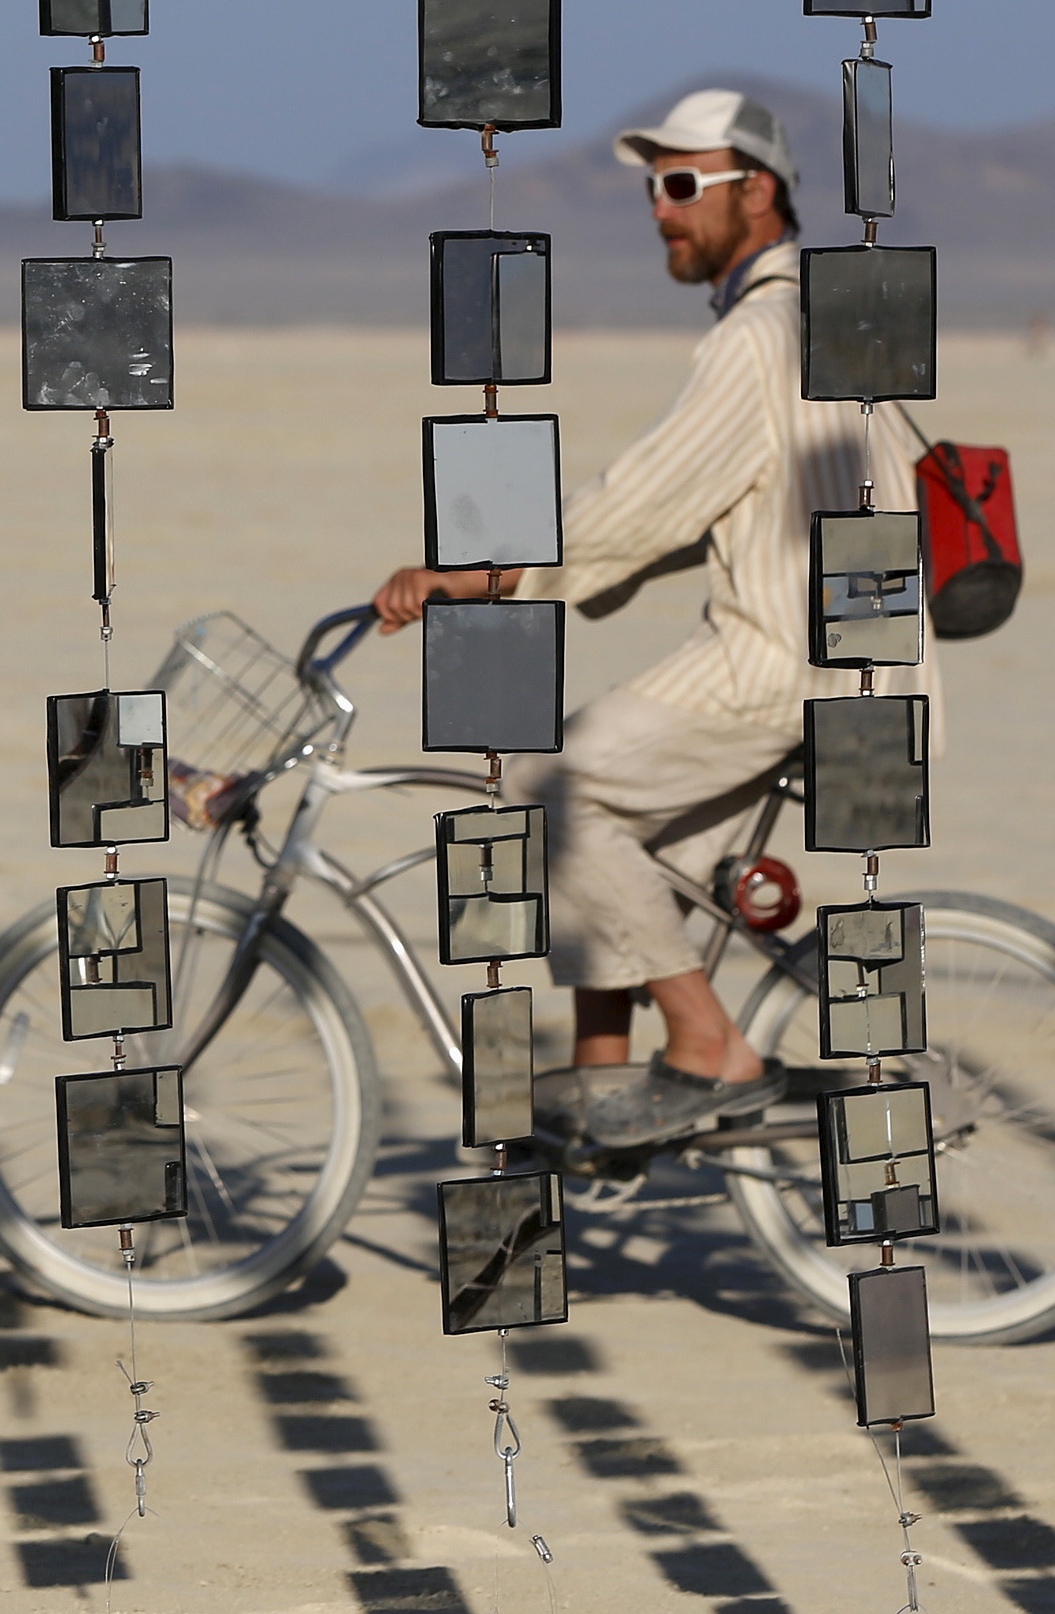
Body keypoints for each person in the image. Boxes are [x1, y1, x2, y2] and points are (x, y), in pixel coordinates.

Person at [371, 89, 931, 1154]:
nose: (660, 211)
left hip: (785, 661)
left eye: (682, 187)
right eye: (650, 189)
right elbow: (721, 503)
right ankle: (606, 1089)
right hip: (848, 657)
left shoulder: (761, 334)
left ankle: (708, 1047)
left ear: (755, 193)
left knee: (548, 787)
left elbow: (644, 498)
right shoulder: (820, 313)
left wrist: (473, 576)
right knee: (611, 841)